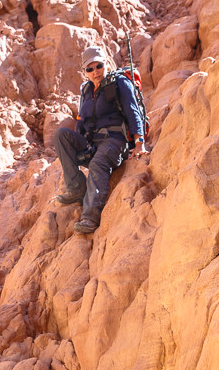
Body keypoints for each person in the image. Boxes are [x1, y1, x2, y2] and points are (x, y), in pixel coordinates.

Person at [54, 46, 148, 235]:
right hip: (92, 143)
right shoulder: (87, 90)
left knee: (98, 164)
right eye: (90, 69)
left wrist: (139, 142)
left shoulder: (119, 82)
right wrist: (78, 142)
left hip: (115, 142)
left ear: (106, 64)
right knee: (61, 135)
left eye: (99, 66)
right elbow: (81, 120)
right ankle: (77, 188)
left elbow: (132, 112)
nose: (95, 71)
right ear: (84, 72)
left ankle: (90, 216)